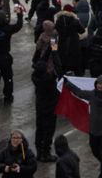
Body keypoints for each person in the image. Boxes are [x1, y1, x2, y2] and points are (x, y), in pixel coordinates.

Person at [32, 34, 62, 162]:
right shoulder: (49, 80)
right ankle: (46, 153)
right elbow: (58, 67)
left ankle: (39, 152)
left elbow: (42, 60)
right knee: (49, 130)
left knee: (39, 129)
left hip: (40, 106)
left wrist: (51, 46)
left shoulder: (36, 77)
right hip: (50, 108)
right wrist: (54, 51)